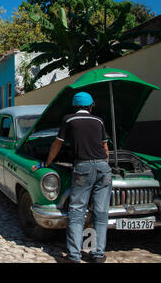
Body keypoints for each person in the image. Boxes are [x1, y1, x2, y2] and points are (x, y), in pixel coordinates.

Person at [38, 92, 111, 263]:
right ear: (90, 106)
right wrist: (104, 166)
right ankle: (98, 254)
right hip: (103, 168)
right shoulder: (99, 120)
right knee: (101, 212)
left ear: (75, 106)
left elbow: (58, 143)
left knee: (77, 211)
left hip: (83, 167)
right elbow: (105, 147)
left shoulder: (69, 119)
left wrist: (48, 162)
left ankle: (74, 256)